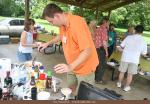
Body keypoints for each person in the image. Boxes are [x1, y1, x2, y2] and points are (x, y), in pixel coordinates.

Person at [38, 3, 99, 94]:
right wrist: (47, 43)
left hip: (84, 68)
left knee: (83, 94)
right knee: (70, 91)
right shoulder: (63, 24)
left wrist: (70, 66)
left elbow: (87, 50)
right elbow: (61, 36)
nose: (52, 24)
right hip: (72, 66)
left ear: (57, 16)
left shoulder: (77, 23)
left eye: (51, 21)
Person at [117, 25, 147, 92]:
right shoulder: (143, 40)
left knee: (122, 72)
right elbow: (144, 53)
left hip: (125, 57)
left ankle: (119, 83)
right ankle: (126, 87)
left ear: (135, 30)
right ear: (142, 32)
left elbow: (121, 46)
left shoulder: (128, 37)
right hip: (134, 60)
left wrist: (122, 49)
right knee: (130, 74)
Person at [94, 17, 109, 84]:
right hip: (101, 49)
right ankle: (99, 80)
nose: (109, 24)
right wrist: (106, 51)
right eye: (108, 22)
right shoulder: (104, 29)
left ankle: (95, 78)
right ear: (106, 22)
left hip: (96, 48)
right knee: (102, 65)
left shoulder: (98, 28)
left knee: (97, 64)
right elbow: (104, 41)